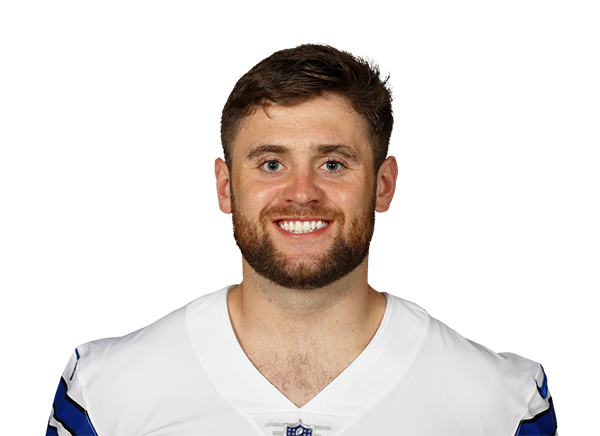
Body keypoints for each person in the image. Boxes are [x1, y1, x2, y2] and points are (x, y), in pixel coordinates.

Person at [50, 44, 558, 435]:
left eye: (332, 164)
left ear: (382, 185)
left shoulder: (502, 406)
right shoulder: (102, 396)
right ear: (226, 187)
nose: (302, 192)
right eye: (272, 163)